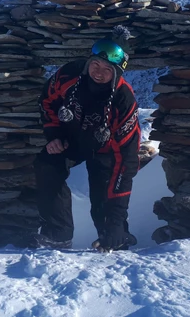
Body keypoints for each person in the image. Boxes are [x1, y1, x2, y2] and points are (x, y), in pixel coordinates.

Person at [31, 26, 140, 252]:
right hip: (71, 139)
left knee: (103, 201)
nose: (98, 72)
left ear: (118, 72)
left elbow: (126, 161)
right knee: (47, 165)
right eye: (95, 65)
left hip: (105, 150)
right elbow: (47, 101)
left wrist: (117, 221)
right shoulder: (70, 74)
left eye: (107, 69)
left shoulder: (123, 99)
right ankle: (57, 233)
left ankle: (114, 239)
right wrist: (53, 135)